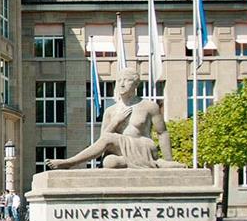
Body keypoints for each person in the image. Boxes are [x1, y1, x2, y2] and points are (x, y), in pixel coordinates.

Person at [47, 68, 185, 170]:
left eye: (127, 80)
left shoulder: (149, 106)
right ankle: (143, 164)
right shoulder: (110, 111)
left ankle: (70, 162)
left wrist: (168, 160)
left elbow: (162, 133)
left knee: (109, 139)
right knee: (110, 163)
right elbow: (102, 140)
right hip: (120, 150)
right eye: (119, 80)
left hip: (143, 146)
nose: (122, 84)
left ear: (136, 84)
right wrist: (116, 121)